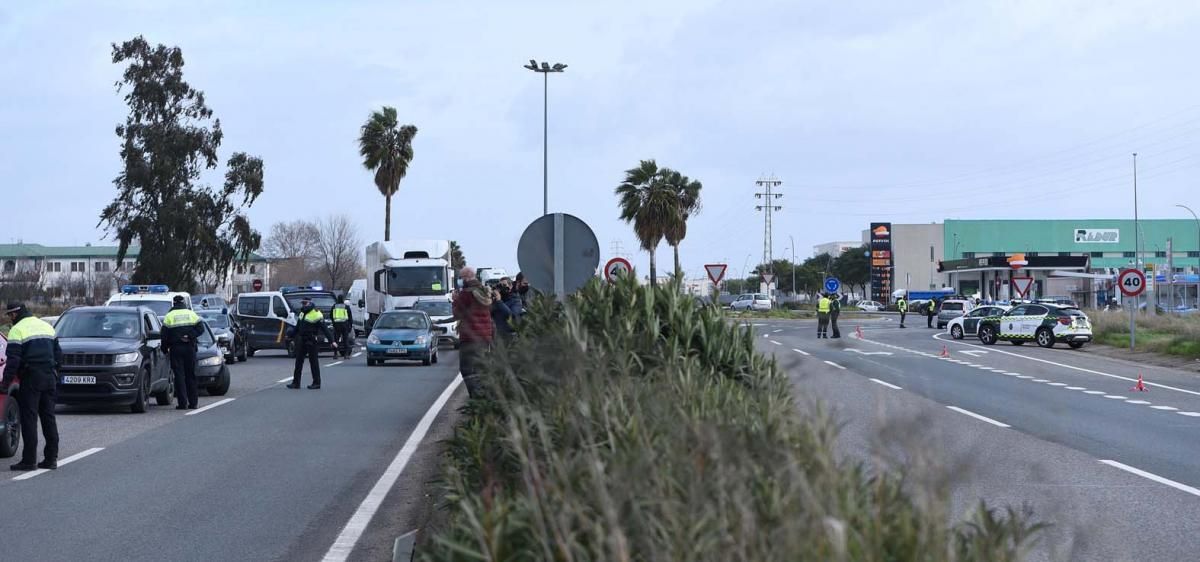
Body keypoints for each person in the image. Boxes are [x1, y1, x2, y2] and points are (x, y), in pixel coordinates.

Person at [3, 303, 62, 471]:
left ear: (15, 314)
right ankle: (51, 459)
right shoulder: (46, 326)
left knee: (29, 420)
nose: (10, 318)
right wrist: (55, 372)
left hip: (31, 379)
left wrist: (5, 385)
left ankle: (29, 461)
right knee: (48, 418)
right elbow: (59, 355)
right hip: (49, 377)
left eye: (10, 315)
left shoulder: (17, 330)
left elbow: (12, 361)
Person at [454, 267, 494, 398]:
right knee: (480, 368)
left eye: (461, 277)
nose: (460, 280)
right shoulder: (483, 290)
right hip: (484, 336)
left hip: (470, 336)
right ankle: (484, 396)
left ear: (466, 277)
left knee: (467, 369)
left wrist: (455, 300)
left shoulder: (466, 293)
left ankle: (476, 398)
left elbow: (458, 313)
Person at [163, 296, 205, 410]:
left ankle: (182, 404)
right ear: (184, 303)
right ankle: (193, 403)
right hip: (190, 348)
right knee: (191, 375)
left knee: (179, 376)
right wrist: (190, 336)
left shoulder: (169, 316)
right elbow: (201, 329)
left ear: (174, 303)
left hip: (176, 349)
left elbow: (164, 335)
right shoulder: (191, 313)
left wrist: (164, 348)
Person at [288, 297, 335, 390]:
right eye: (302, 303)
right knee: (298, 362)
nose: (303, 305)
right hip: (302, 340)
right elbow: (298, 327)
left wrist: (332, 341)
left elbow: (325, 329)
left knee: (313, 362)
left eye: (305, 303)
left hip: (312, 340)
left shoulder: (317, 314)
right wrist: (290, 335)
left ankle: (317, 383)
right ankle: (296, 383)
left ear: (310, 303)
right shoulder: (302, 313)